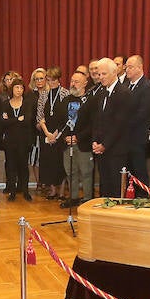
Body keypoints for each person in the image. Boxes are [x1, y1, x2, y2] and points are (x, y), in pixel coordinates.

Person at [89, 58, 135, 197]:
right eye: (99, 74)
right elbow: (97, 120)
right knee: (105, 185)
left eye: (104, 74)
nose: (100, 77)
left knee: (116, 187)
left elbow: (119, 124)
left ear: (114, 72)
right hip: (101, 149)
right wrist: (95, 141)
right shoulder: (101, 92)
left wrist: (105, 145)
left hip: (116, 149)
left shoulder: (123, 93)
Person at [59, 70, 95, 207]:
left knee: (86, 172)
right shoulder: (65, 101)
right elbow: (59, 122)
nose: (73, 84)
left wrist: (78, 137)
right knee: (70, 172)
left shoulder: (90, 101)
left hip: (83, 144)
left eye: (77, 82)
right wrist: (65, 137)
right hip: (67, 144)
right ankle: (73, 197)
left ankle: (87, 199)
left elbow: (93, 124)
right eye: (72, 81)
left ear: (85, 83)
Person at [121, 55, 150, 185]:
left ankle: (142, 197)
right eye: (126, 67)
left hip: (138, 138)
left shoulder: (147, 87)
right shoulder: (124, 85)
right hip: (124, 138)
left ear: (140, 68)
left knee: (139, 171)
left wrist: (122, 124)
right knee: (127, 171)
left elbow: (142, 113)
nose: (127, 70)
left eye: (130, 67)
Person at [38, 68, 70, 200]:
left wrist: (56, 134)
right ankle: (52, 190)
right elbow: (40, 116)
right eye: (49, 80)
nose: (51, 82)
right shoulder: (44, 94)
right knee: (48, 162)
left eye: (53, 80)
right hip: (46, 133)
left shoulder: (65, 94)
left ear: (59, 80)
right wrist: (47, 133)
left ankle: (62, 191)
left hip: (60, 132)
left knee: (60, 162)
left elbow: (67, 117)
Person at [0, 81, 34, 201]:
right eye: (16, 87)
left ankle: (25, 191)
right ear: (12, 89)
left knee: (23, 167)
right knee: (11, 166)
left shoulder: (27, 103)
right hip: (9, 141)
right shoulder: (5, 104)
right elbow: (3, 122)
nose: (19, 90)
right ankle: (12, 192)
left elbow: (27, 120)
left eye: (21, 88)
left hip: (24, 141)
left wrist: (11, 120)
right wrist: (18, 119)